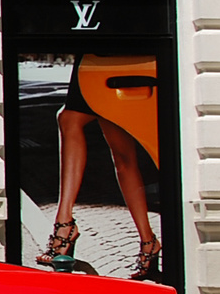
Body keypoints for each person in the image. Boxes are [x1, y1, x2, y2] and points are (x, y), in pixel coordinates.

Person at [37, 58, 160, 280]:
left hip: (120, 57)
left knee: (122, 154)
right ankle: (64, 223)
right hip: (94, 56)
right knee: (70, 119)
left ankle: (148, 240)